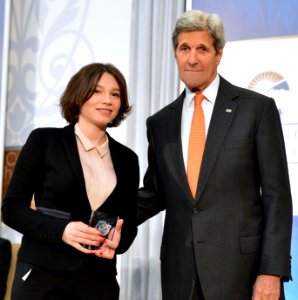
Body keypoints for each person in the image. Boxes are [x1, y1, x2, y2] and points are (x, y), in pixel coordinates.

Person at [137, 10, 293, 300]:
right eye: (184, 49)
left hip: (243, 276)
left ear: (219, 54)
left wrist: (271, 272)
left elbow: (277, 196)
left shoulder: (256, 110)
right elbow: (155, 194)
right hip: (181, 277)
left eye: (202, 49)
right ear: (175, 55)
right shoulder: (160, 123)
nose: (192, 59)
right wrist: (100, 216)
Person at [1, 62, 139, 300]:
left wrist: (118, 242)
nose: (107, 99)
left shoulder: (128, 159)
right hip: (42, 279)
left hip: (99, 282)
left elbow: (129, 225)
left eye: (115, 94)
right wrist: (62, 230)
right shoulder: (45, 141)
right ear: (78, 95)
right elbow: (11, 210)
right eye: (97, 91)